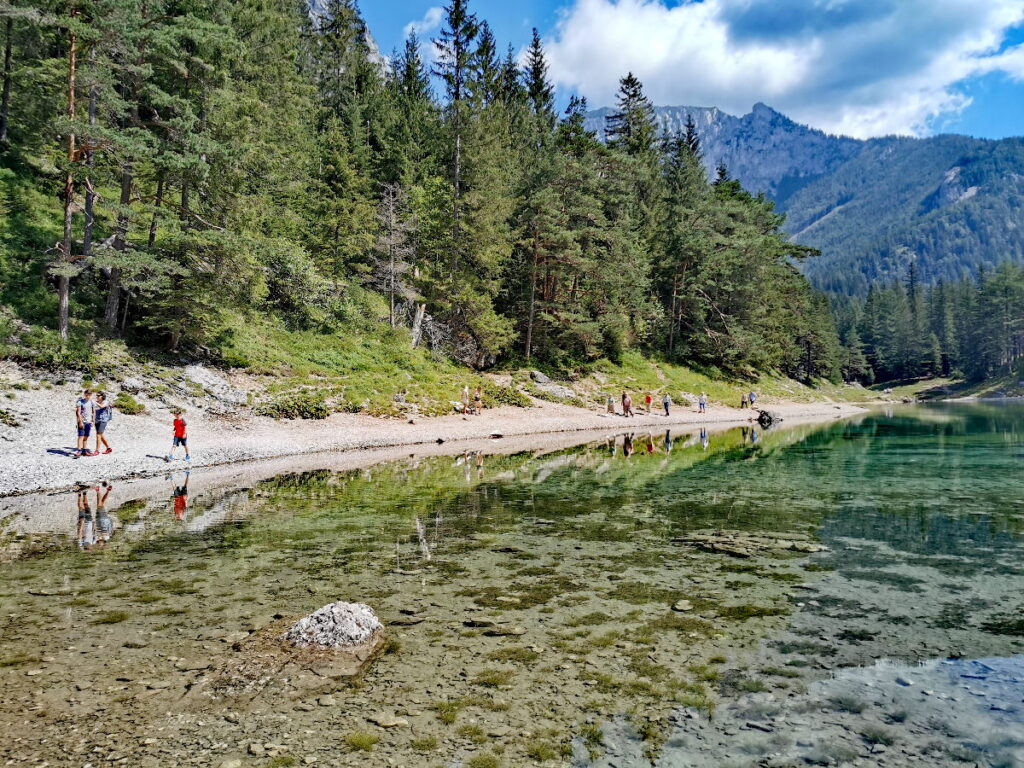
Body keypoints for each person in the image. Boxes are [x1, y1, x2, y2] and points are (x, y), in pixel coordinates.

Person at [74, 389, 97, 458]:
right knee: (80, 436)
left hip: (88, 421)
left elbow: (94, 412)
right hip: (82, 421)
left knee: (86, 436)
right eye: (87, 394)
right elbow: (78, 412)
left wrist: (93, 421)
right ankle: (79, 450)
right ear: (85, 394)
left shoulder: (92, 402)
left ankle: (84, 450)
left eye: (89, 394)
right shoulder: (80, 402)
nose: (88, 396)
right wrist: (80, 422)